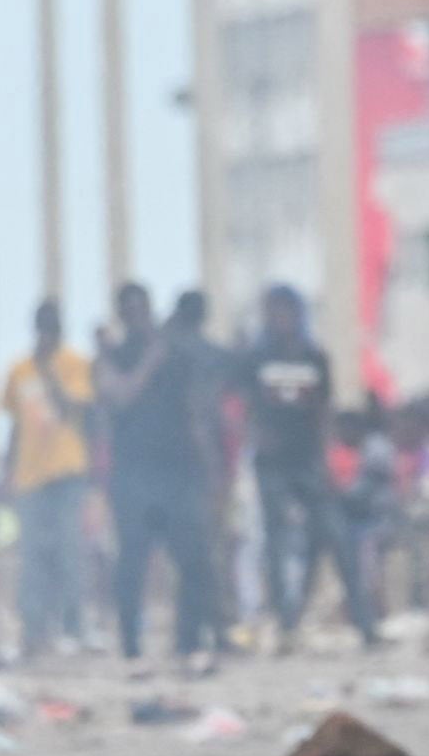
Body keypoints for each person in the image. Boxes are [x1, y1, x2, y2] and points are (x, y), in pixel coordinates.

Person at [239, 285, 379, 649]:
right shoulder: (255, 358)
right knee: (275, 542)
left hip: (307, 461)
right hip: (271, 463)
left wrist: (328, 460)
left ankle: (364, 623)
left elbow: (323, 413)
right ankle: (284, 622)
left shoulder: (315, 358)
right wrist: (256, 435)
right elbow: (246, 407)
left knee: (335, 534)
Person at [95, 283, 227, 665]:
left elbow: (196, 410)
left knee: (192, 557)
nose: (137, 315)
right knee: (132, 561)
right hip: (133, 475)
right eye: (129, 309)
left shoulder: (177, 355)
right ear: (122, 314)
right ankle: (131, 647)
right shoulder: (114, 357)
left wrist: (211, 466)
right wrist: (148, 362)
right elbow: (118, 396)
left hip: (178, 470)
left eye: (142, 307)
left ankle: (188, 642)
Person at [0, 298, 96, 658]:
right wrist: (5, 472)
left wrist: (49, 373)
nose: (47, 334)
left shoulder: (75, 364)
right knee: (33, 556)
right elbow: (13, 424)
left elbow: (76, 408)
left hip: (68, 471)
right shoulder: (18, 370)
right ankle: (35, 630)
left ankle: (74, 626)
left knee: (71, 551)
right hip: (29, 475)